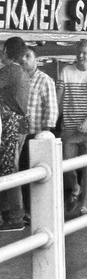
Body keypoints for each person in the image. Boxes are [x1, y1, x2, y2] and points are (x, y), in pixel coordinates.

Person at [58, 40, 87, 218]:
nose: (81, 55)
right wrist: (52, 118)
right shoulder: (66, 71)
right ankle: (75, 187)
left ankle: (84, 204)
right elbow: (58, 98)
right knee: (67, 164)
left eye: (85, 53)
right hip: (69, 126)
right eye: (79, 52)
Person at [19, 46, 58, 218]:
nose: (24, 60)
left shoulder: (44, 80)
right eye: (22, 56)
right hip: (17, 134)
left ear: (36, 59)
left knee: (33, 173)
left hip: (35, 134)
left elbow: (51, 108)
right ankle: (22, 210)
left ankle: (32, 210)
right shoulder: (16, 79)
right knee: (19, 172)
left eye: (28, 56)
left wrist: (45, 134)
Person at [0, 36, 31, 231]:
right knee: (10, 165)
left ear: (6, 52)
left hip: (10, 123)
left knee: (8, 167)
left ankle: (14, 216)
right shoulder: (20, 71)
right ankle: (11, 214)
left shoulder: (9, 71)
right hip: (20, 123)